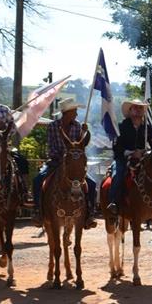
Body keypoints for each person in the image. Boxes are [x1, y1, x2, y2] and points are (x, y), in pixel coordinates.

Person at [32, 98, 97, 229]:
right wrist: (63, 157)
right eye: (75, 111)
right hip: (55, 162)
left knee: (91, 183)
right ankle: (38, 211)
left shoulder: (78, 126)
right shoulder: (52, 126)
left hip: (72, 164)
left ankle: (90, 213)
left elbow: (79, 146)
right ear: (67, 112)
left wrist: (84, 133)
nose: (77, 114)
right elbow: (51, 147)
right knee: (38, 180)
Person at [106, 98, 152, 215]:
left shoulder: (147, 128)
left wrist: (146, 152)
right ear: (130, 110)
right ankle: (113, 202)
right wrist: (131, 152)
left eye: (141, 108)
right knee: (118, 174)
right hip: (123, 159)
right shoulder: (121, 126)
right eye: (135, 107)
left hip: (143, 159)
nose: (138, 110)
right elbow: (116, 147)